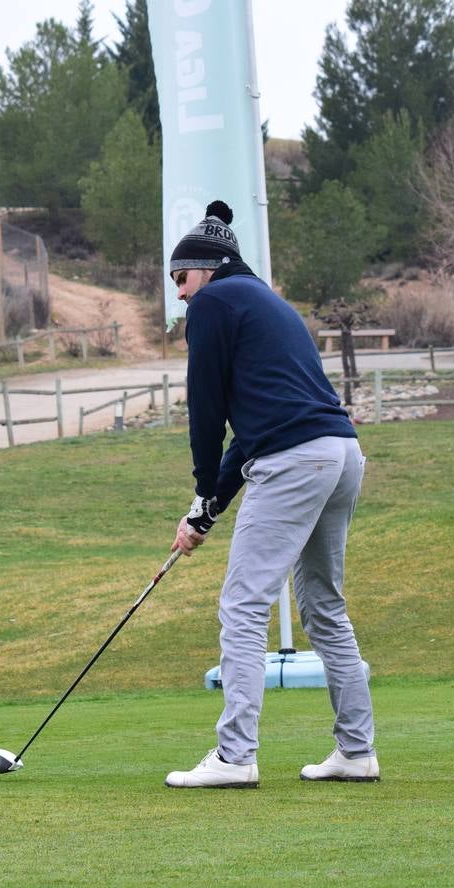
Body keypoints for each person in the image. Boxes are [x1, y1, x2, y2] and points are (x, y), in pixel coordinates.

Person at [163, 200, 377, 789]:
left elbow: (207, 416)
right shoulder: (268, 303)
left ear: (205, 269)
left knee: (242, 605)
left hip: (295, 460)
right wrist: (206, 509)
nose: (180, 294)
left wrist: (204, 493)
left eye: (180, 278)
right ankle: (356, 751)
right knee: (324, 606)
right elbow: (253, 433)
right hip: (341, 454)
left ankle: (235, 756)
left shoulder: (213, 305)